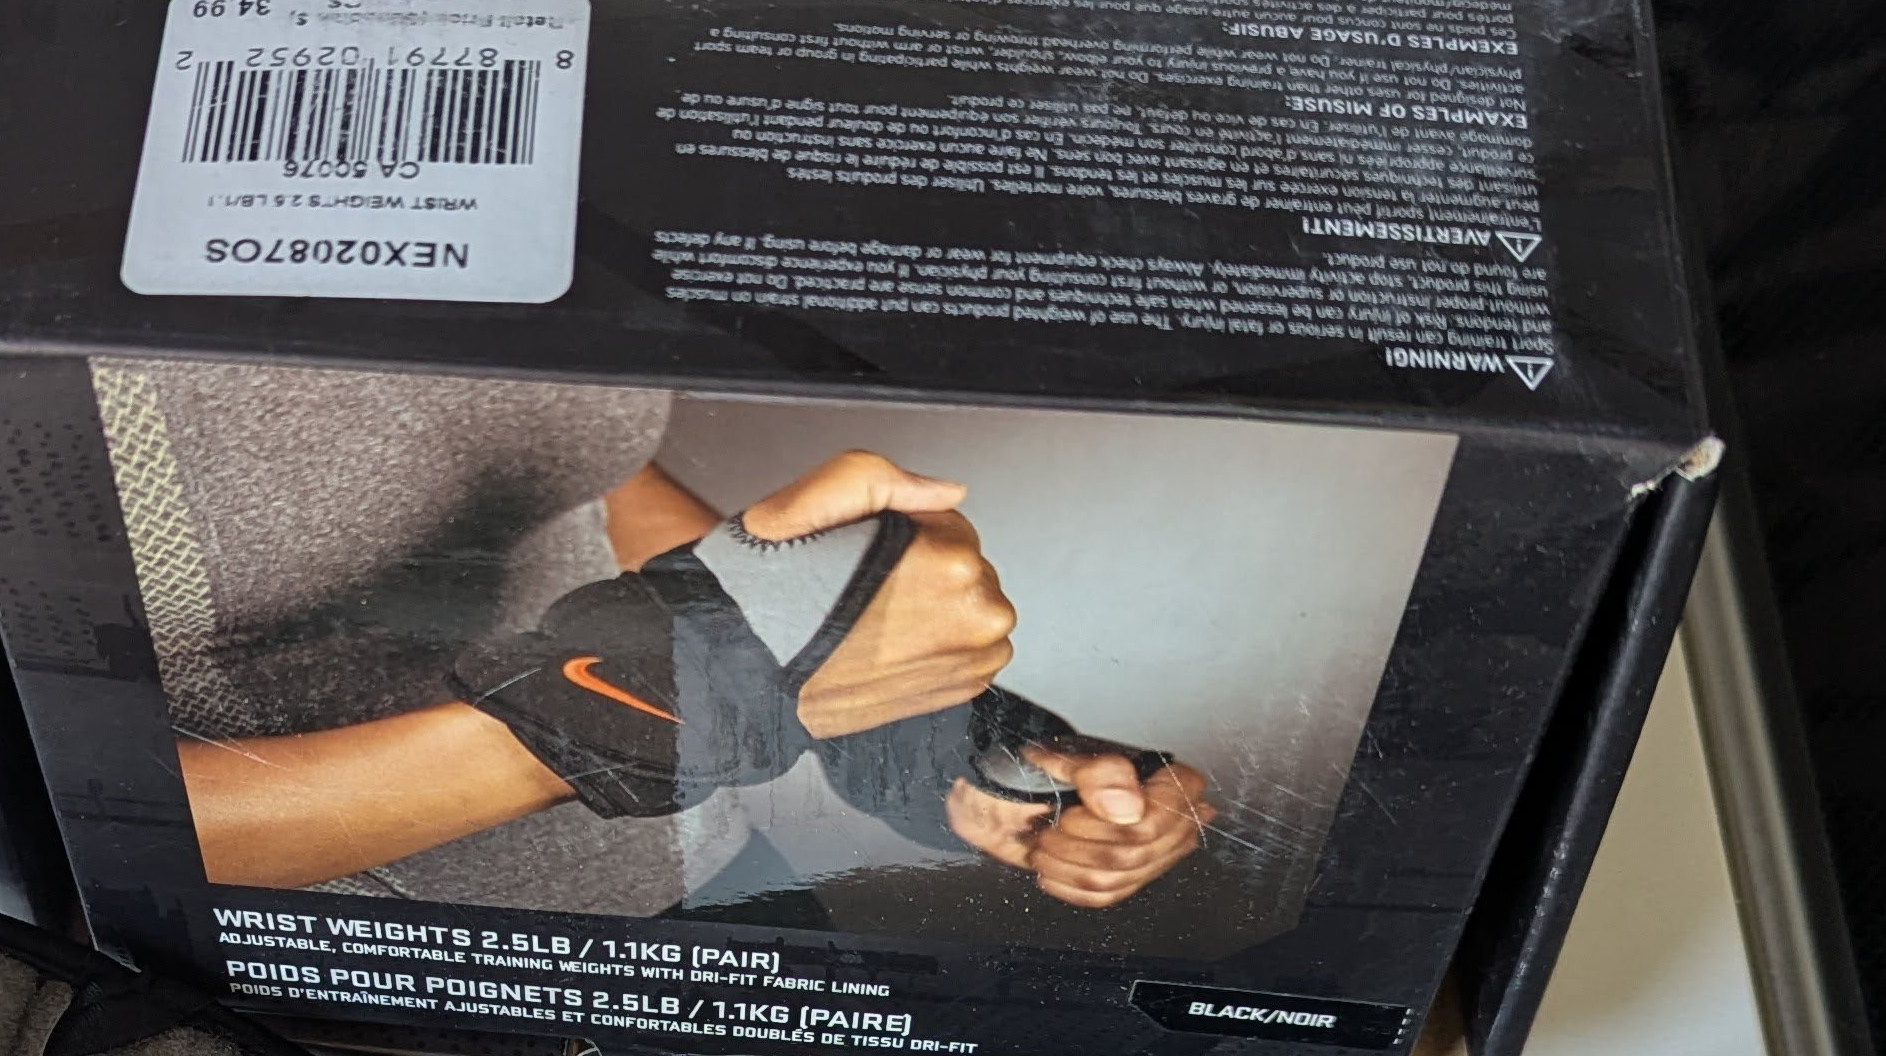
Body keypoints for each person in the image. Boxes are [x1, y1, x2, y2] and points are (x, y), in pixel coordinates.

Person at [91, 356, 1211, 918]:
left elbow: (593, 481)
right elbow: (86, 816)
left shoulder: (528, 165)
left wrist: (915, 717)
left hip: (715, 873)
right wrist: (672, 697)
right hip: (420, 985)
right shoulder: (41, 366)